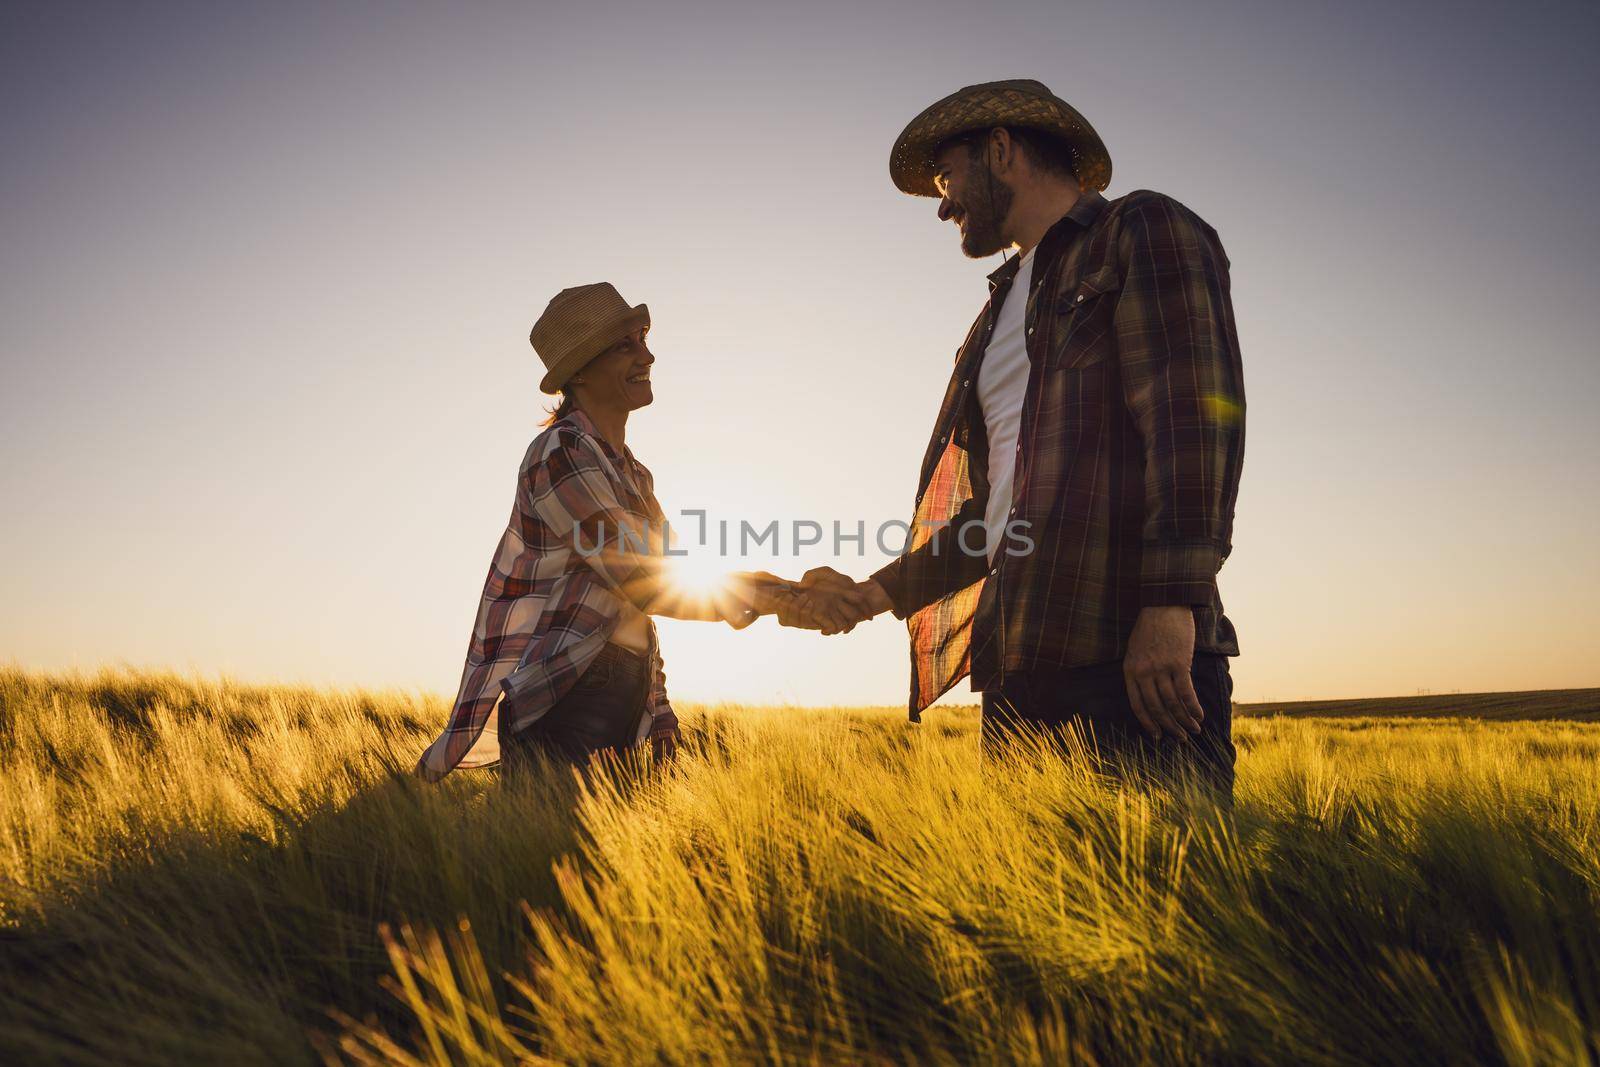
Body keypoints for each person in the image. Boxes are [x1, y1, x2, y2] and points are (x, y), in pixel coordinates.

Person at [799, 80, 1247, 796]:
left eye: (946, 177)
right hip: (1017, 673)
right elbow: (991, 518)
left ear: (1001, 150)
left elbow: (1192, 420)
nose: (942, 202)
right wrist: (871, 593)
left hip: (1130, 662)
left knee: (1171, 902)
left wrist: (1172, 603)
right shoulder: (997, 314)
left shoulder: (1140, 230)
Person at [414, 282, 796, 781]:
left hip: (622, 691)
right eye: (625, 345)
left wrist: (658, 709)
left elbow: (662, 589)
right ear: (578, 372)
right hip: (569, 697)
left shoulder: (635, 476)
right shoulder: (561, 453)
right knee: (556, 856)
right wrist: (776, 596)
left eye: (643, 337)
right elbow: (640, 579)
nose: (648, 354)